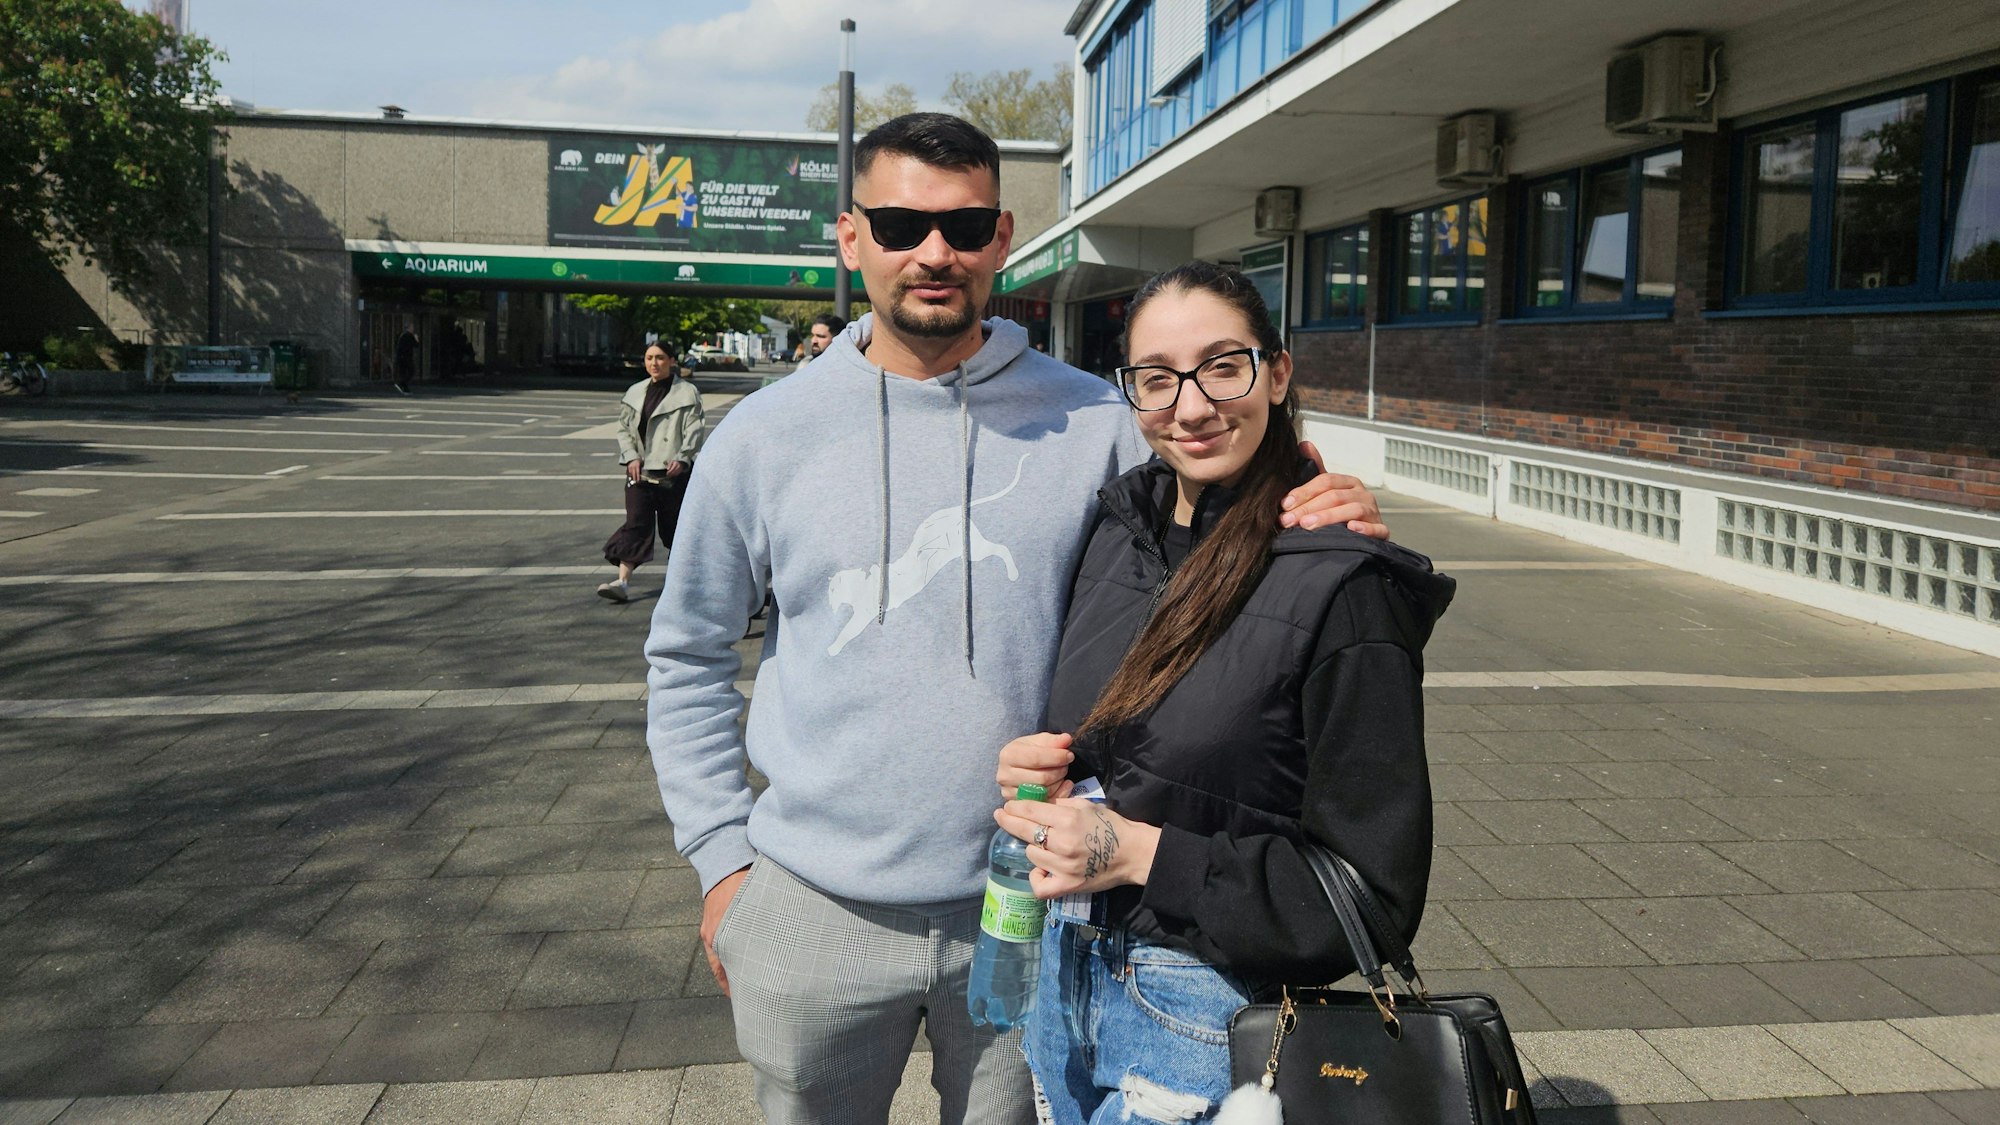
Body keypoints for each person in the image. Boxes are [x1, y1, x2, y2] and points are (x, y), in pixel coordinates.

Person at [643, 113, 1389, 1125]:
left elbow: (1219, 496)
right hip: (810, 906)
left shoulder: (1097, 420)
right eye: (900, 225)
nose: (933, 252)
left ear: (1001, 238)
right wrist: (722, 864)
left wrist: (1316, 495)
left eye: (964, 226)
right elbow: (687, 653)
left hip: (1038, 906)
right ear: (851, 237)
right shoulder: (763, 435)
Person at [991, 262, 1454, 1124]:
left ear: (1277, 373)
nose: (1193, 405)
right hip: (1065, 981)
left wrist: (1140, 853)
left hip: (1208, 1023)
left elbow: (1374, 893)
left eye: (1222, 366)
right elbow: (1136, 755)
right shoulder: (1118, 532)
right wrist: (1050, 770)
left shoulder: (1344, 584)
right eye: (1157, 378)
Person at [599, 343, 704, 602]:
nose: (654, 363)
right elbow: (624, 429)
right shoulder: (635, 392)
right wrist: (631, 456)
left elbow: (694, 429)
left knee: (675, 529)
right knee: (636, 524)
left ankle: (686, 583)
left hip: (672, 474)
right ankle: (622, 583)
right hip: (640, 473)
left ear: (671, 361)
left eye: (660, 358)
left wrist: (683, 458)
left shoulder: (687, 392)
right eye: (649, 358)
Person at [392, 325, 417, 394]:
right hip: (406, 357)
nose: (413, 329)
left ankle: (405, 387)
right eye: (412, 327)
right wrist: (416, 338)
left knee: (405, 372)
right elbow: (416, 345)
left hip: (402, 357)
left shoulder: (403, 335)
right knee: (411, 371)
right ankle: (401, 384)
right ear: (409, 328)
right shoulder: (408, 335)